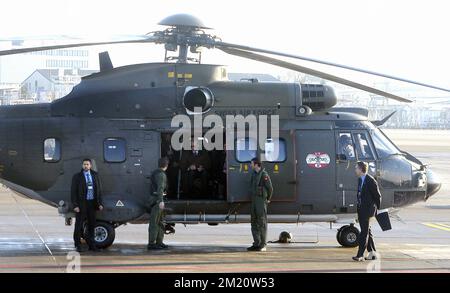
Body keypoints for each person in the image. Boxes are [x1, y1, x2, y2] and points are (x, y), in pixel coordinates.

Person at [71, 158, 103, 252]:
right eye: (84, 164)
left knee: (91, 225)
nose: (86, 166)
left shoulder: (95, 175)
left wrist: (100, 203)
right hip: (81, 204)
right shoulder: (77, 177)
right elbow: (73, 192)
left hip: (92, 203)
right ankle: (78, 245)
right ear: (82, 165)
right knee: (79, 225)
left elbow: (99, 190)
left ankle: (92, 245)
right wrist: (75, 205)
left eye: (87, 164)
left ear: (90, 165)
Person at [352, 161, 382, 262]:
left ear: (361, 169)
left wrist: (376, 210)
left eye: (356, 168)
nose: (355, 170)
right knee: (367, 231)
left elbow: (378, 196)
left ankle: (360, 255)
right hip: (361, 209)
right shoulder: (360, 180)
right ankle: (373, 253)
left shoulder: (370, 180)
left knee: (364, 232)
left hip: (368, 210)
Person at [247, 158, 273, 252]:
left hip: (261, 201)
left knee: (262, 223)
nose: (251, 165)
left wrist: (268, 199)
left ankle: (263, 244)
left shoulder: (264, 175)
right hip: (254, 200)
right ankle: (256, 243)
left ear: (257, 164)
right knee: (254, 222)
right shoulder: (254, 174)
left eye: (252, 163)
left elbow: (270, 188)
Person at [147, 157, 169, 250]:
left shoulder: (156, 173)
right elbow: (160, 188)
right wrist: (160, 201)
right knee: (155, 222)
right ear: (167, 165)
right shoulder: (161, 175)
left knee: (160, 222)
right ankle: (152, 243)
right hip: (157, 200)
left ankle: (159, 242)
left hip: (156, 199)